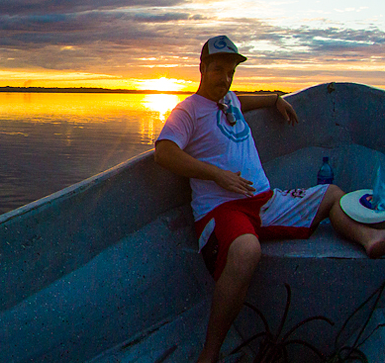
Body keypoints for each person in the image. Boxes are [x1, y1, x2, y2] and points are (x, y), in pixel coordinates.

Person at [154, 35, 385, 363]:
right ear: (202, 68)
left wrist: (274, 99)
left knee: (332, 194)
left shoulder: (230, 100)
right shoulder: (187, 111)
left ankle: (371, 239)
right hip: (221, 209)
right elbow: (164, 153)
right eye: (218, 69)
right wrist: (217, 174)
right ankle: (210, 352)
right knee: (248, 250)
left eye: (231, 70)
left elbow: (245, 100)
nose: (225, 77)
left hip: (265, 201)